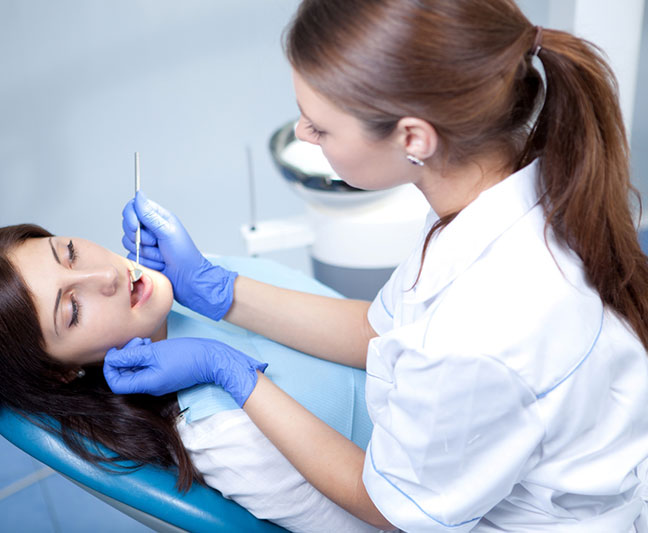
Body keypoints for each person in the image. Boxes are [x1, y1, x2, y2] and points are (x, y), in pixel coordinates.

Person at [105, 0, 648, 531]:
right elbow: (381, 329)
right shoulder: (508, 187)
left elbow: (388, 509)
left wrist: (233, 373)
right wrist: (212, 288)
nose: (302, 133)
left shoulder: (482, 331)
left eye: (321, 127)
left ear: (413, 137)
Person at [0, 223, 378, 533]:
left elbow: (385, 336)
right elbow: (392, 522)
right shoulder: (226, 436)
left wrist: (221, 290)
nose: (103, 276)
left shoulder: (203, 282)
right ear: (64, 371)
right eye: (74, 308)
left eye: (68, 253)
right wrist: (227, 369)